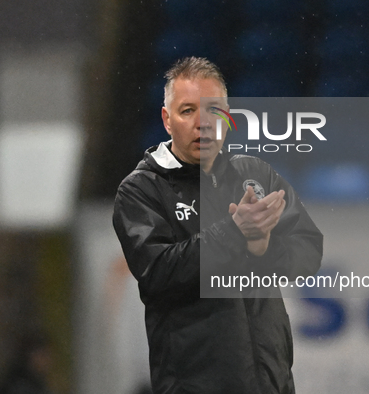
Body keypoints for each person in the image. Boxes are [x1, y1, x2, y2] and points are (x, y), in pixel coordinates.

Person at [112, 57, 323, 394]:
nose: (203, 124)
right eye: (187, 111)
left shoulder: (255, 173)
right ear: (167, 120)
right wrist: (233, 231)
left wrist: (262, 246)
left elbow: (309, 250)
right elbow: (157, 273)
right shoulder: (142, 190)